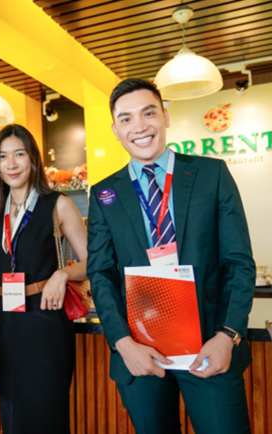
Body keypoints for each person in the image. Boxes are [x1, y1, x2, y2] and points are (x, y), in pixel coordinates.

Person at [87, 78, 255, 434]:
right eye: (126, 119)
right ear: (116, 130)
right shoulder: (104, 193)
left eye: (148, 113)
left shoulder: (212, 174)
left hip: (209, 347)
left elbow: (239, 263)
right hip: (140, 351)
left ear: (164, 116)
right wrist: (122, 344)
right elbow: (100, 274)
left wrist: (228, 335)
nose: (140, 126)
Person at [0, 124, 88, 434]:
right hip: (5, 324)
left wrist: (63, 273)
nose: (11, 164)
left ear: (33, 159)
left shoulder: (57, 205)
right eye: (3, 157)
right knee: (12, 414)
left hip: (45, 322)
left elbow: (94, 262)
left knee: (45, 413)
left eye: (19, 154)